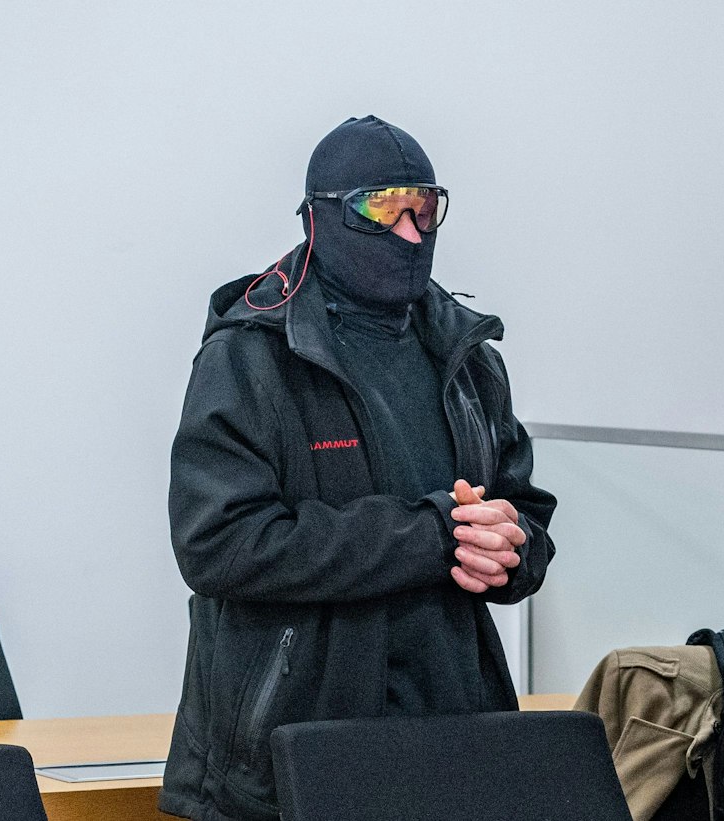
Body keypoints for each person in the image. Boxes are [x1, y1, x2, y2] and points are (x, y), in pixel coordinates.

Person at [158, 116, 556, 821]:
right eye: (383, 207)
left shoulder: (469, 357)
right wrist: (433, 536)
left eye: (425, 207)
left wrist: (511, 547)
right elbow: (218, 544)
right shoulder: (251, 354)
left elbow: (524, 510)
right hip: (286, 760)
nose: (410, 232)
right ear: (322, 216)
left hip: (454, 743)